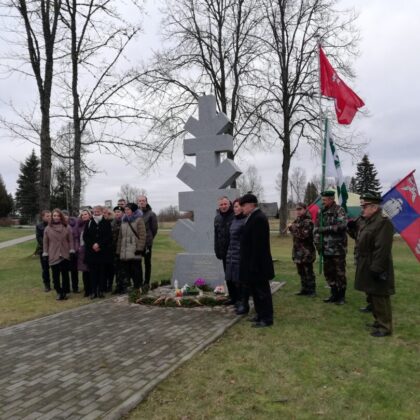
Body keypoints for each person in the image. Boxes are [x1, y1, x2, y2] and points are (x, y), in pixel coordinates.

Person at [354, 193, 395, 337]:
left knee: (380, 295)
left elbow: (382, 248)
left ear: (374, 207)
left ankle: (385, 327)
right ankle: (378, 322)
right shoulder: (368, 221)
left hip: (376, 263)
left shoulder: (383, 222)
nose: (362, 209)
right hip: (366, 262)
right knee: (372, 294)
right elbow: (361, 238)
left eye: (364, 206)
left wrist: (377, 268)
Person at [238, 193, 275, 328]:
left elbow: (258, 245)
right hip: (252, 263)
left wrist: (254, 265)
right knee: (255, 291)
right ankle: (259, 314)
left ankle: (266, 318)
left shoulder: (258, 218)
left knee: (262, 292)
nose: (241, 208)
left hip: (258, 264)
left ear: (251, 205)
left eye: (243, 205)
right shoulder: (252, 217)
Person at [314, 190, 348, 305]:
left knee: (340, 273)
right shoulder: (321, 211)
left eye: (324, 200)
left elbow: (343, 225)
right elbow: (317, 228)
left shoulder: (339, 210)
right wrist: (318, 245)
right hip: (325, 248)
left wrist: (326, 229)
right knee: (329, 273)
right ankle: (333, 294)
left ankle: (341, 296)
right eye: (322, 200)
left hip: (338, 249)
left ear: (331, 199)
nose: (322, 202)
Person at [42, 209, 75, 301]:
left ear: (61, 216)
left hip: (65, 253)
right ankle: (59, 292)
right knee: (55, 276)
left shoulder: (67, 227)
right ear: (52, 217)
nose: (56, 217)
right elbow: (45, 242)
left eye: (58, 215)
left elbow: (71, 240)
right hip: (53, 253)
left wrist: (71, 250)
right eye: (54, 216)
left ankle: (65, 291)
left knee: (65, 275)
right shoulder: (48, 228)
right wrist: (45, 253)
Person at [83, 205, 113, 299]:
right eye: (94, 212)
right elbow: (85, 236)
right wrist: (93, 245)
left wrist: (99, 245)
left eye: (98, 211)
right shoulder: (89, 222)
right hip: (91, 252)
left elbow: (109, 237)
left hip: (102, 252)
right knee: (92, 273)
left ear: (102, 212)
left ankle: (101, 291)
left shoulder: (106, 223)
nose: (96, 213)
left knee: (102, 272)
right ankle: (93, 291)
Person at [288, 202, 316, 296]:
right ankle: (304, 289)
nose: (298, 211)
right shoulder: (297, 220)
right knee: (301, 271)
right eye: (297, 209)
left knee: (308, 271)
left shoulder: (308, 221)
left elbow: (303, 235)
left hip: (306, 251)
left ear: (305, 209)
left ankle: (311, 291)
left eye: (300, 209)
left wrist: (292, 228)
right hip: (298, 251)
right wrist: (292, 227)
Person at [117, 203, 146, 291]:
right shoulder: (123, 220)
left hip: (135, 249)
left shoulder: (139, 220)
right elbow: (120, 237)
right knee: (127, 270)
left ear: (133, 210)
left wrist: (139, 248)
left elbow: (142, 235)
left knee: (136, 270)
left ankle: (138, 286)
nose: (126, 211)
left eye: (128, 209)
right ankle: (129, 287)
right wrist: (118, 250)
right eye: (125, 210)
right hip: (125, 250)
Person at [347, 211, 371, 313]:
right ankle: (370, 302)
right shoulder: (359, 219)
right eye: (362, 205)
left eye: (365, 205)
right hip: (359, 253)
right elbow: (355, 236)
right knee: (364, 279)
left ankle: (374, 303)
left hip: (369, 254)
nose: (363, 208)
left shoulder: (374, 221)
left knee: (371, 279)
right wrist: (350, 228)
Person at [225, 198, 246, 309]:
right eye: (234, 207)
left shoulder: (245, 221)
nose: (235, 209)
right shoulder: (234, 220)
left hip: (240, 255)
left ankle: (242, 302)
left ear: (242, 207)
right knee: (231, 280)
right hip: (231, 255)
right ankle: (235, 299)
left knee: (240, 281)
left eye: (237, 206)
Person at [214, 196, 234, 302]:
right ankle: (232, 296)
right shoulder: (217, 218)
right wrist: (217, 250)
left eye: (225, 204)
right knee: (228, 276)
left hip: (234, 252)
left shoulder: (235, 216)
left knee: (236, 276)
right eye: (221, 204)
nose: (223, 206)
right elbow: (216, 236)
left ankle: (239, 298)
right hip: (224, 252)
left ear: (229, 204)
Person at [137, 195, 158, 290]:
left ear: (146, 202)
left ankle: (146, 282)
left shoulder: (151, 214)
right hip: (137, 243)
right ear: (137, 202)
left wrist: (149, 239)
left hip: (147, 243)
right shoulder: (135, 214)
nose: (141, 202)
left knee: (147, 263)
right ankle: (139, 282)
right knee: (137, 263)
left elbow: (154, 229)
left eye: (143, 200)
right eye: (140, 201)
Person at [63, 210, 80, 293]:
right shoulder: (60, 225)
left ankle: (75, 287)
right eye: (63, 216)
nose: (65, 217)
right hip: (64, 250)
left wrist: (75, 248)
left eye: (66, 215)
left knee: (74, 270)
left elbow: (76, 237)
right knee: (64, 271)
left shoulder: (75, 224)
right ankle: (66, 288)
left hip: (74, 250)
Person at [76, 209, 92, 297]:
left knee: (91, 270)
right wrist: (78, 247)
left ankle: (92, 288)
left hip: (91, 250)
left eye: (86, 214)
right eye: (82, 215)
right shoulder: (79, 226)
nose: (84, 216)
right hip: (82, 250)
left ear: (89, 215)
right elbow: (76, 238)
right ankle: (86, 289)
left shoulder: (92, 224)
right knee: (85, 271)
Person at [36, 210, 52, 292]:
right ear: (43, 217)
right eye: (47, 216)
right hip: (44, 250)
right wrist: (46, 246)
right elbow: (39, 238)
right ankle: (47, 284)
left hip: (54, 250)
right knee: (45, 269)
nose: (49, 217)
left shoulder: (54, 224)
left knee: (55, 268)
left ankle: (56, 283)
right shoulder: (39, 226)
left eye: (50, 216)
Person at [111, 206, 125, 294]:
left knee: (123, 268)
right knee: (116, 268)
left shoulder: (125, 222)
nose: (117, 213)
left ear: (123, 213)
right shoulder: (112, 223)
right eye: (116, 212)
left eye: (119, 212)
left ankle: (124, 286)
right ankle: (118, 286)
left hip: (123, 248)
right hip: (114, 248)